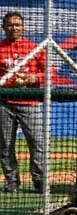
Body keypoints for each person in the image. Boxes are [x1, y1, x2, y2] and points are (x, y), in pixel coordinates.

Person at [0, 11, 46, 194]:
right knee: (4, 145)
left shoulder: (34, 48)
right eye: (10, 24)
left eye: (18, 24)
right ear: (4, 27)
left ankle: (40, 181)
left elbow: (50, 72)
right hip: (4, 103)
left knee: (37, 143)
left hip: (30, 103)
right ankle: (12, 182)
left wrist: (32, 78)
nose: (14, 28)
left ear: (23, 27)